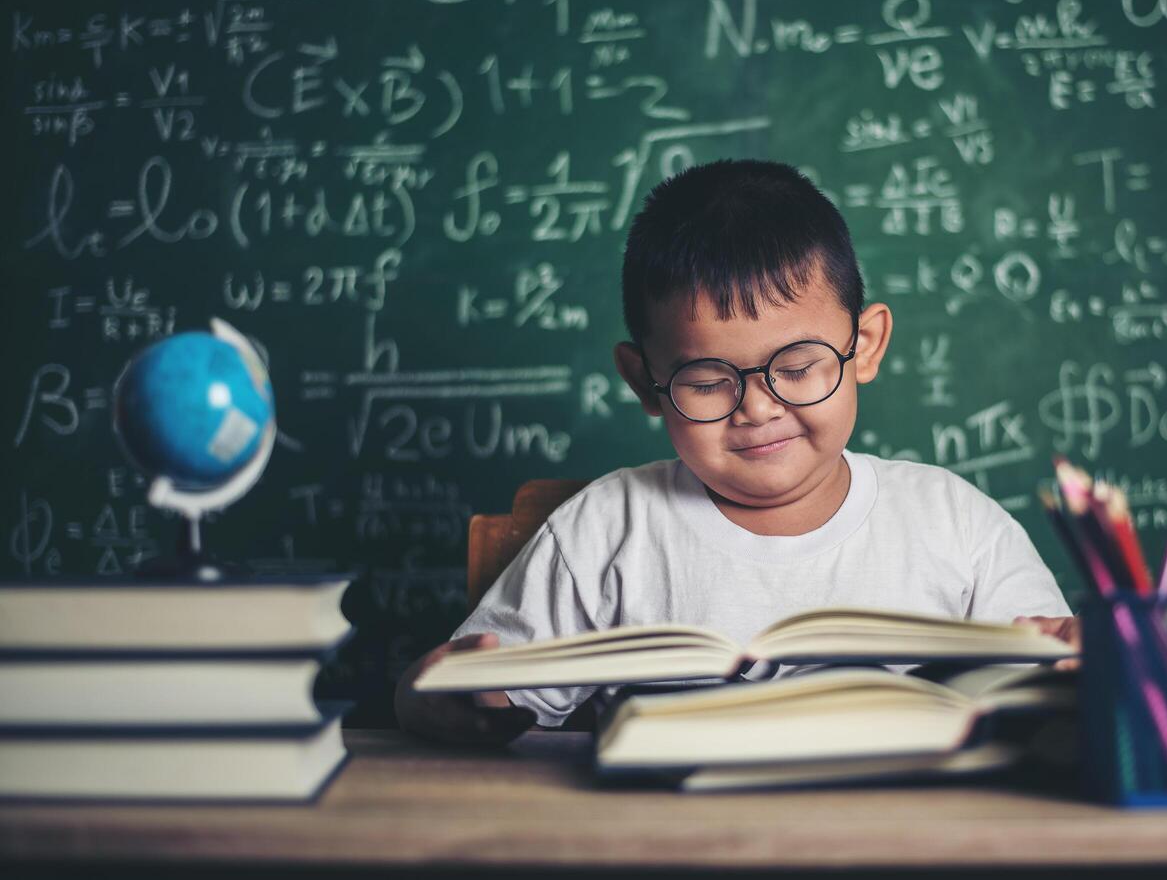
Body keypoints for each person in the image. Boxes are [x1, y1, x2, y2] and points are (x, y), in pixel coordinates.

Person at [395, 159, 1077, 745]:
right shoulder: (605, 531)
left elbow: (1053, 695)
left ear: (863, 345)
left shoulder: (955, 524)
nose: (757, 407)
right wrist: (452, 698)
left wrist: (1078, 664)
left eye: (799, 364)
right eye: (706, 380)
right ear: (645, 382)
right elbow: (448, 697)